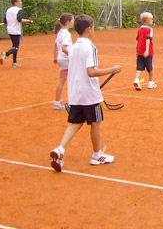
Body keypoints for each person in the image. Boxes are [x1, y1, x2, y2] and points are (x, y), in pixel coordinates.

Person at [50, 14, 123, 172]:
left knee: (76, 123)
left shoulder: (74, 47)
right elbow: (90, 72)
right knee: (95, 122)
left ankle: (60, 149)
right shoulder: (89, 46)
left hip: (75, 93)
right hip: (89, 94)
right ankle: (97, 154)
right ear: (89, 29)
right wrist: (112, 69)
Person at [0, 0, 32, 68]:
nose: (21, 2)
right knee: (16, 47)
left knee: (14, 46)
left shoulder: (8, 10)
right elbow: (19, 19)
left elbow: (5, 21)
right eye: (19, 1)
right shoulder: (19, 10)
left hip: (9, 30)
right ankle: (5, 54)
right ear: (15, 3)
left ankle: (14, 62)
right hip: (15, 30)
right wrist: (27, 21)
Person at [53, 13, 74, 110]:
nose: (73, 22)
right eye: (72, 20)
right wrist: (73, 56)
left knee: (62, 80)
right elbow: (64, 47)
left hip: (61, 58)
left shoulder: (61, 32)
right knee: (69, 80)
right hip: (66, 59)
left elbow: (55, 45)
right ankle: (70, 102)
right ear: (68, 22)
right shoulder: (66, 33)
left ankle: (58, 102)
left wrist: (55, 57)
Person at [133, 12, 156, 90]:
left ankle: (136, 79)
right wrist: (146, 50)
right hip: (148, 52)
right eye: (151, 19)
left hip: (139, 51)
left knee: (139, 68)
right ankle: (150, 82)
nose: (152, 21)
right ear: (147, 20)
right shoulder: (149, 29)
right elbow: (148, 39)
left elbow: (138, 40)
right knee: (150, 68)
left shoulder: (140, 29)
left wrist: (137, 50)